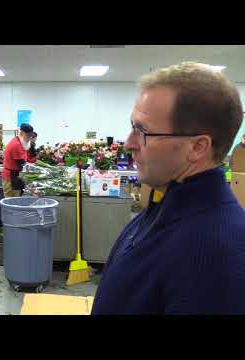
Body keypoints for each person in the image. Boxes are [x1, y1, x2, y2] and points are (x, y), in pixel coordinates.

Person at [92, 62, 245, 315]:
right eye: (133, 126)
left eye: (143, 131)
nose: (129, 143)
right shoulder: (163, 211)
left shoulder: (216, 255)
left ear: (197, 147)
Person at [1, 124, 38, 197]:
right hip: (11, 178)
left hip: (16, 176)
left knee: (16, 200)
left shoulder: (21, 142)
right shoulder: (16, 144)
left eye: (30, 136)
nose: (29, 138)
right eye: (27, 136)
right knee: (11, 202)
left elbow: (28, 159)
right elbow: (23, 165)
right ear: (21, 133)